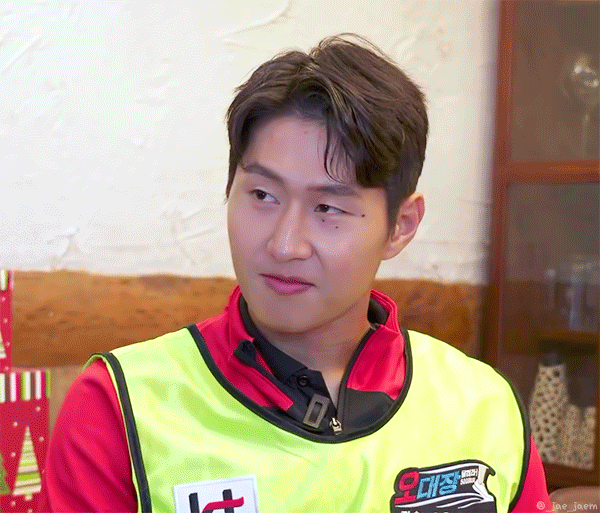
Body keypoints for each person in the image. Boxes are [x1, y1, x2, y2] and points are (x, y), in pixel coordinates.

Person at [38, 34, 553, 513]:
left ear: (400, 226)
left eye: (328, 208)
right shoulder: (120, 407)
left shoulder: (485, 410)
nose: (284, 245)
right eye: (263, 195)